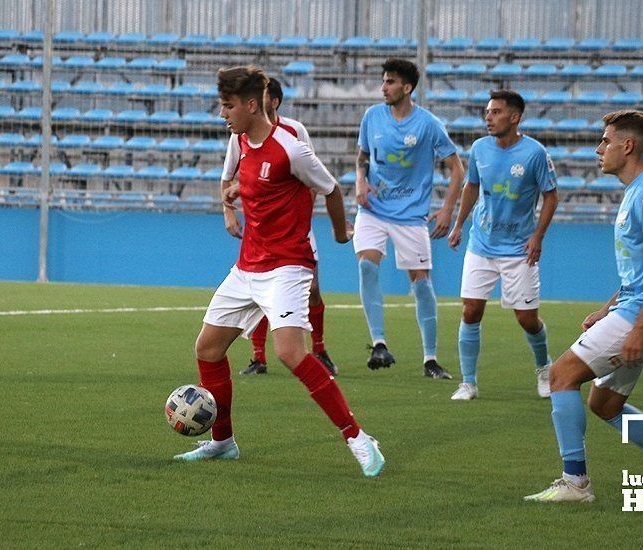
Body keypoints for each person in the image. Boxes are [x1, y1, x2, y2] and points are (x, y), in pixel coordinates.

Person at [174, 66, 384, 477]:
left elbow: (331, 189)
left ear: (252, 105)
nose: (222, 113)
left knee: (290, 353)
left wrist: (341, 233)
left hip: (288, 265)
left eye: (228, 106)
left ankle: (358, 438)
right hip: (248, 265)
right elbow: (248, 182)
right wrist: (235, 194)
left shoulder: (290, 147)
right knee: (207, 349)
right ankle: (222, 442)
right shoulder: (240, 141)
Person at [525, 110, 643, 502]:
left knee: (559, 376)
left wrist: (637, 327)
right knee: (605, 404)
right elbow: (642, 270)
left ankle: (576, 484)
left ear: (628, 145)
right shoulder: (642, 190)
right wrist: (609, 308)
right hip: (638, 309)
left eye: (605, 141)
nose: (598, 149)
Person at [355, 58, 465, 378]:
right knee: (366, 264)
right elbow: (362, 155)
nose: (383, 87)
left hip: (410, 215)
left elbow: (457, 169)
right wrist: (361, 181)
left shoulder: (428, 124)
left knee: (421, 284)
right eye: (383, 81)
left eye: (390, 82)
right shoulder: (372, 116)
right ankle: (379, 343)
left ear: (407, 87)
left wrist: (447, 209)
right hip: (373, 210)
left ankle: (430, 360)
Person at [446, 90, 559, 401]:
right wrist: (458, 225)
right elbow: (472, 186)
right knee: (471, 311)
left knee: (526, 318)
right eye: (487, 112)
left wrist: (538, 235)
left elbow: (551, 196)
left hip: (519, 249)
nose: (488, 117)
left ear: (514, 117)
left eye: (496, 112)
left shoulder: (535, 153)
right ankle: (468, 382)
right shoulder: (480, 148)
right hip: (481, 243)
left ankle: (543, 368)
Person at [220, 77, 337, 377]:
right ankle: (258, 357)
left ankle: (320, 349)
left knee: (313, 289)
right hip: (260, 232)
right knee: (257, 290)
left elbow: (313, 178)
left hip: (295, 229)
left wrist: (300, 212)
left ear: (271, 102)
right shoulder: (240, 136)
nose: (224, 113)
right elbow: (230, 176)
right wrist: (230, 211)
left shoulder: (293, 133)